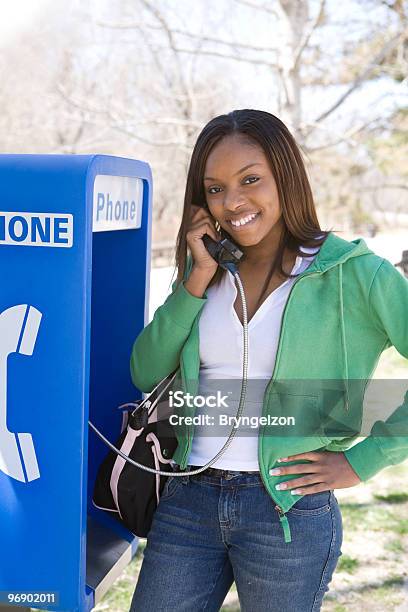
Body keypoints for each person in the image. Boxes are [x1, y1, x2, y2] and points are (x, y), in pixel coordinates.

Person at [128, 109, 408, 612]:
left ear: (287, 176)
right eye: (215, 189)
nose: (233, 202)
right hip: (187, 501)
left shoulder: (356, 274)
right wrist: (195, 280)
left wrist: (363, 460)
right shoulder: (207, 273)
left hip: (288, 511)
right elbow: (145, 372)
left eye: (250, 180)